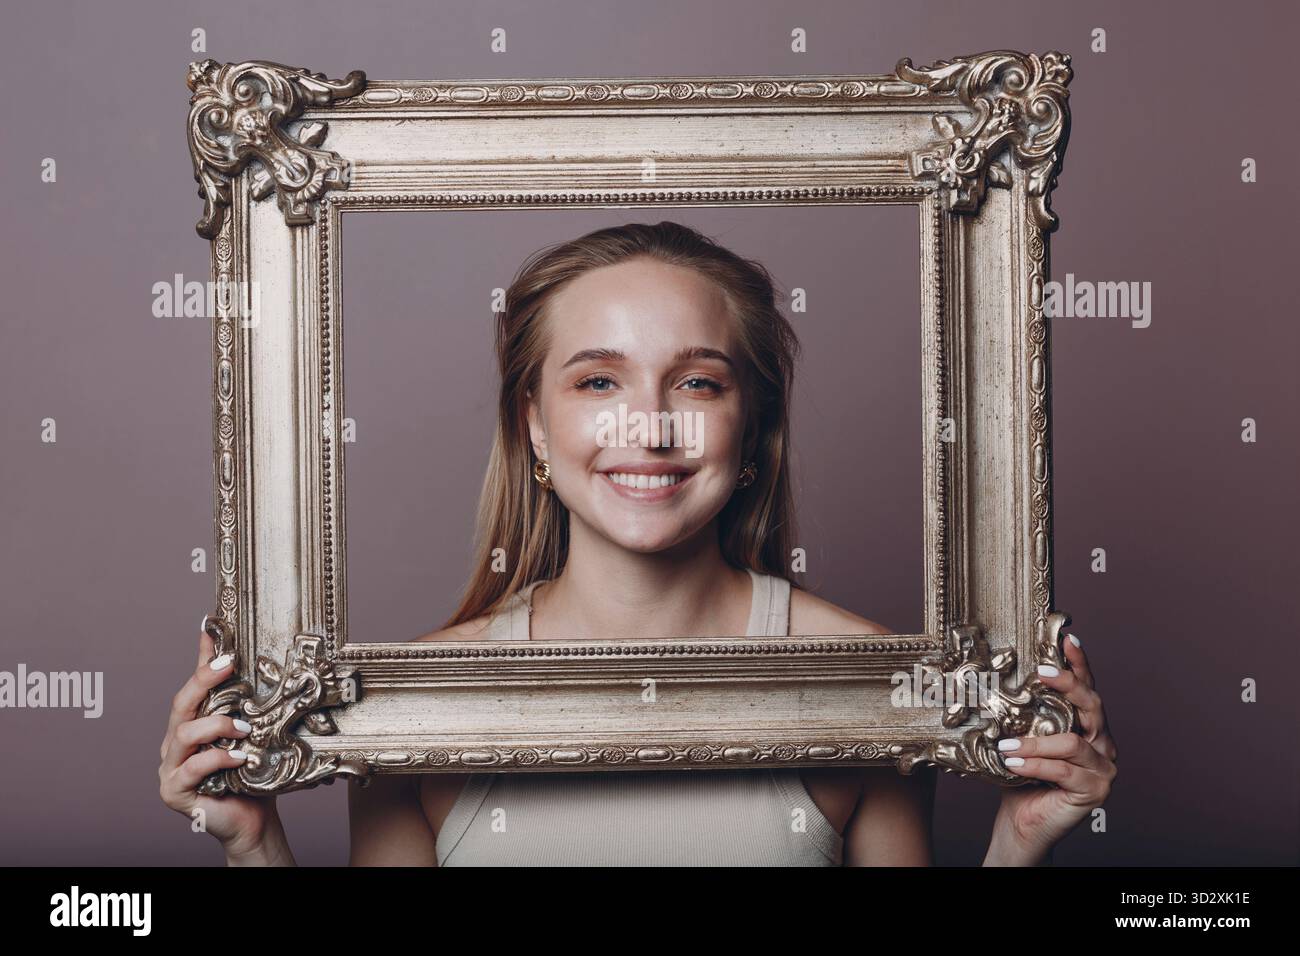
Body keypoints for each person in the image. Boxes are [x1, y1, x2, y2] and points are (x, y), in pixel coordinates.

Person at [159, 221, 1117, 866]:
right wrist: (254, 846)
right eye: (598, 383)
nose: (651, 430)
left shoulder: (875, 682)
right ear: (533, 426)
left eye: (698, 383)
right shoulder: (416, 708)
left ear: (751, 432)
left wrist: (1017, 847)